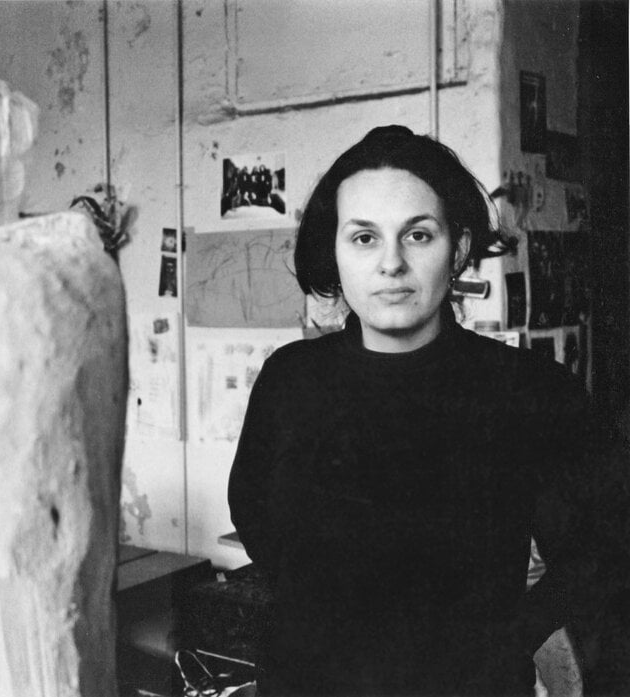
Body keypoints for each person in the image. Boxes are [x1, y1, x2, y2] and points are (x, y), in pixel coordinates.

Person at [227, 125, 628, 695]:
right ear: (335, 251)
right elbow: (252, 510)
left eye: (418, 235)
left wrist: (514, 632)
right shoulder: (291, 379)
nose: (391, 263)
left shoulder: (532, 391)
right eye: (363, 238)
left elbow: (605, 545)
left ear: (459, 248)